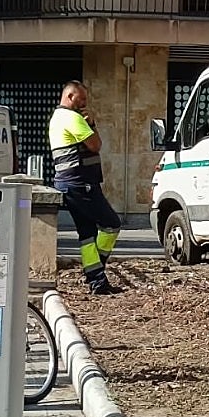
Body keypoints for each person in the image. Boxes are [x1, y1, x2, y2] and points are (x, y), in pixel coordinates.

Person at [49, 81, 122, 295]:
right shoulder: (72, 118)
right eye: (81, 99)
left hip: (69, 183)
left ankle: (96, 281)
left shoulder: (57, 118)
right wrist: (92, 124)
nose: (84, 104)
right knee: (111, 224)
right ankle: (96, 271)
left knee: (87, 234)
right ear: (70, 96)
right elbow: (95, 145)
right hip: (81, 184)